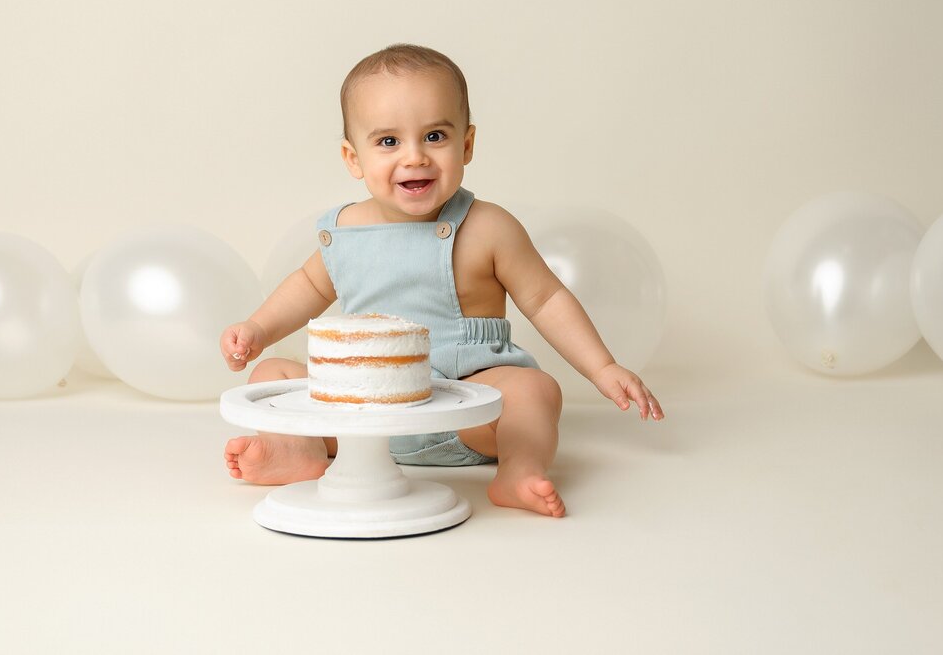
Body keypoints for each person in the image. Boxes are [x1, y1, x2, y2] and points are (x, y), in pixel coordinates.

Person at [220, 43, 663, 517]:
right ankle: (299, 453)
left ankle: (519, 469)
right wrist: (259, 329)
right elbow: (306, 288)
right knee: (272, 377)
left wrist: (602, 367)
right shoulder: (346, 231)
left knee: (535, 392)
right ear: (353, 158)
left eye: (434, 136)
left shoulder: (488, 227)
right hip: (364, 418)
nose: (414, 158)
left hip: (469, 409)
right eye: (388, 142)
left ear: (466, 145)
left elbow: (546, 298)